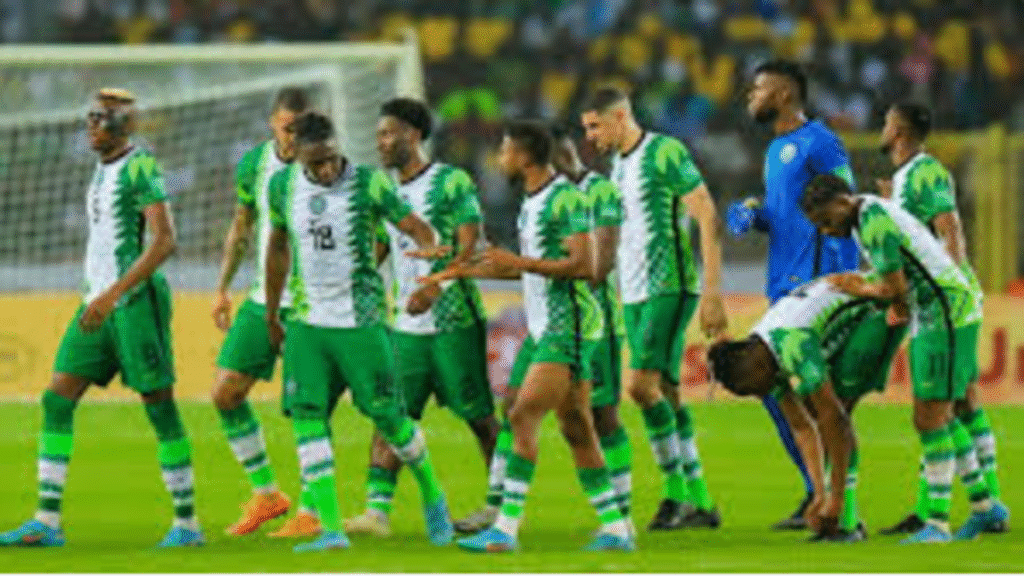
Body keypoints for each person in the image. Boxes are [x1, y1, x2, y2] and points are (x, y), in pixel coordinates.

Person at [0, 88, 204, 548]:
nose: (92, 125)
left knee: (159, 406)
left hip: (132, 305)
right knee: (57, 399)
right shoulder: (101, 169)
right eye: (90, 117)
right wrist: (99, 292)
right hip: (95, 302)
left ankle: (187, 523)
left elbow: (165, 240)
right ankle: (47, 521)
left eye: (103, 118)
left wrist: (114, 293)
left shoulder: (141, 166)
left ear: (125, 125)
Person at [432, 120, 635, 552]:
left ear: (524, 156)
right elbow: (521, 268)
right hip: (544, 327)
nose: (500, 158)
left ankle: (505, 530)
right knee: (576, 427)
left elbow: (584, 265)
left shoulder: (565, 198)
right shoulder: (532, 202)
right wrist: (457, 271)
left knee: (523, 415)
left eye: (505, 150)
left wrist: (520, 263)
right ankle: (617, 528)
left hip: (570, 325)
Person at [264, 112, 453, 552]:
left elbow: (418, 229)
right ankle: (331, 530)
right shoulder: (281, 187)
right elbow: (277, 247)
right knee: (307, 419)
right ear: (299, 157)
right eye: (316, 164)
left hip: (360, 322)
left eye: (332, 159)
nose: (327, 170)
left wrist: (432, 277)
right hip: (307, 324)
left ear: (339, 146)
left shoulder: (370, 184)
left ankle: (433, 495)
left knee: (389, 417)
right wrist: (273, 313)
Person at [801, 173, 1009, 543]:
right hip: (934, 315)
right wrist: (875, 289)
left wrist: (858, 287)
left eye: (826, 221)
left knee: (929, 418)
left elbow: (893, 290)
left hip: (944, 313)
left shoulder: (873, 222)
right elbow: (892, 282)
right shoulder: (867, 214)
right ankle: (984, 506)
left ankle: (938, 524)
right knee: (940, 415)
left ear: (842, 202)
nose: (827, 231)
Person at [341, 98, 500, 538]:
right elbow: (379, 248)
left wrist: (435, 286)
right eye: (378, 134)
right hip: (406, 328)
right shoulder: (385, 192)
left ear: (412, 135)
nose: (380, 142)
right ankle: (377, 512)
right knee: (390, 413)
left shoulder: (451, 182)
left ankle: (499, 506)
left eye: (388, 133)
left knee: (480, 418)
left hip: (454, 322)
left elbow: (473, 245)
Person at [581, 87, 724, 530]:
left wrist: (713, 292)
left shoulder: (664, 152)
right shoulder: (618, 166)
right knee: (666, 390)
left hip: (668, 285)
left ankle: (676, 494)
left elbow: (706, 212)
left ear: (620, 117)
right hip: (634, 291)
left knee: (640, 388)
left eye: (595, 126)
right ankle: (699, 500)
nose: (590, 137)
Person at [727, 59, 861, 530]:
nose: (751, 95)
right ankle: (817, 494)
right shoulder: (774, 150)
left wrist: (844, 278)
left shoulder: (820, 141)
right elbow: (789, 215)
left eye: (758, 88)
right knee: (777, 391)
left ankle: (836, 505)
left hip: (815, 287)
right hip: (781, 286)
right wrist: (756, 216)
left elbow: (845, 206)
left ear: (783, 94)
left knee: (818, 398)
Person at [875, 102, 1007, 536]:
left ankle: (953, 511)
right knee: (961, 401)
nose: (882, 128)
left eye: (886, 122)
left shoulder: (925, 171)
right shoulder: (905, 178)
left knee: (937, 410)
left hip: (943, 305)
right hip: (936, 303)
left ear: (898, 130)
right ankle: (987, 503)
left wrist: (950, 285)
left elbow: (950, 229)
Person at [710, 277, 906, 542]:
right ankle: (844, 519)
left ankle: (846, 521)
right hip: (852, 316)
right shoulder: (763, 356)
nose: (761, 395)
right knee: (826, 412)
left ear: (755, 369)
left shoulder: (792, 343)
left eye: (752, 389)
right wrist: (819, 495)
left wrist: (834, 500)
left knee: (836, 412)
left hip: (876, 311)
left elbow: (834, 419)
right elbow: (802, 428)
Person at [210, 87, 313, 538]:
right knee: (225, 393)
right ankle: (267, 494)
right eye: (288, 128)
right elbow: (241, 227)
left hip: (310, 304)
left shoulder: (324, 166)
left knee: (308, 405)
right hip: (263, 298)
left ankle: (313, 508)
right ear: (273, 122)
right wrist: (221, 288)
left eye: (302, 128)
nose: (294, 137)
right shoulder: (254, 164)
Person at [551, 124, 633, 522]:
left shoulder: (600, 191)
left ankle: (622, 511)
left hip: (598, 325)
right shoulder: (549, 198)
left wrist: (550, 270)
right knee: (565, 416)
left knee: (603, 415)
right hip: (560, 326)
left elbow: (602, 263)